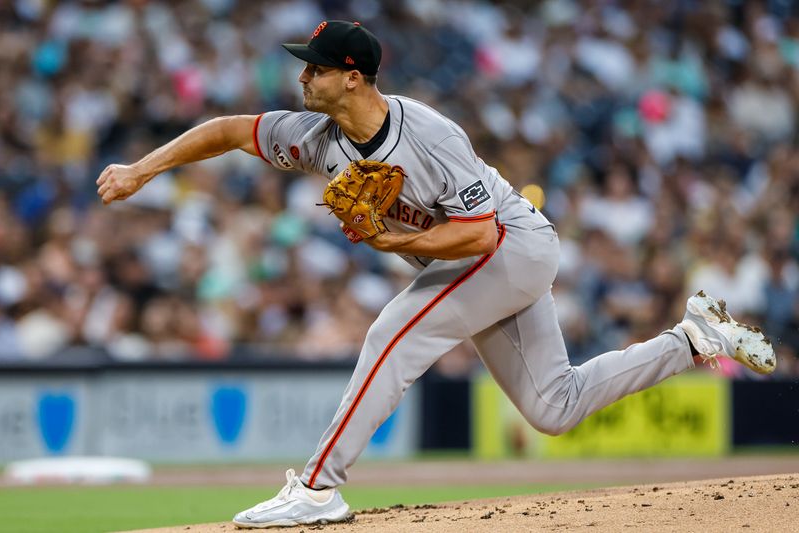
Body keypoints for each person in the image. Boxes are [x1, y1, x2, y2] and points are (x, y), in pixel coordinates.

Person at [96, 20, 776, 528]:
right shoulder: (313, 136)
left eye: (316, 69)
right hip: (482, 261)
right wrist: (139, 170)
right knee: (553, 406)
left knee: (393, 329)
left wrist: (390, 239)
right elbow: (226, 129)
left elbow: (481, 233)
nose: (303, 78)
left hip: (513, 246)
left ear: (354, 76)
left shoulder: (428, 133)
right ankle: (691, 340)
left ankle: (317, 487)